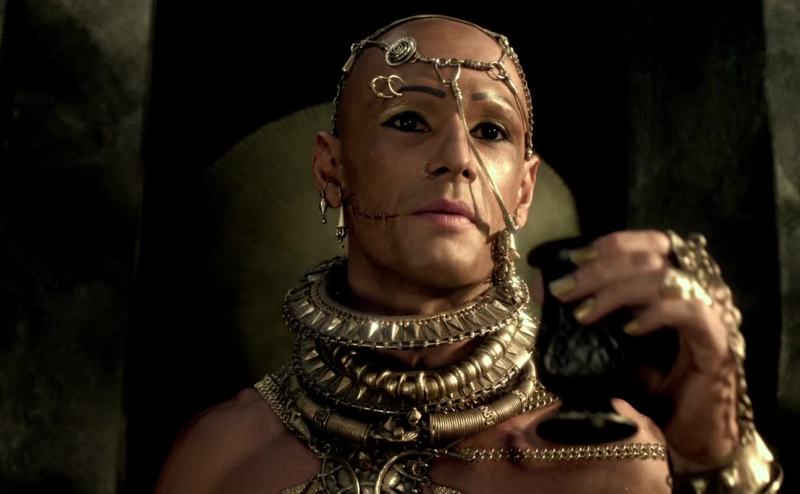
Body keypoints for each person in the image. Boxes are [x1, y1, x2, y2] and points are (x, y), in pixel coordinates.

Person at [154, 15, 781, 494]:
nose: (458, 157)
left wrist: (715, 459)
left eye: (490, 130)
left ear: (523, 190)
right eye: (408, 120)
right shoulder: (220, 457)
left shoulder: (615, 461)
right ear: (331, 169)